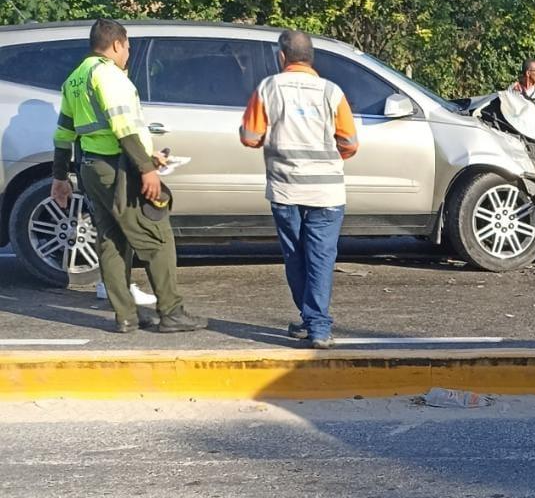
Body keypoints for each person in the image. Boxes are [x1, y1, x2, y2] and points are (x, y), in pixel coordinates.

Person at [50, 19, 206, 333]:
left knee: (111, 239)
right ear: (117, 44)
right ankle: (172, 312)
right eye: (128, 48)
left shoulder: (75, 79)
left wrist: (59, 176)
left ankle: (125, 316)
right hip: (118, 169)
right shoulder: (108, 75)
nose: (128, 55)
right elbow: (124, 126)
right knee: (156, 235)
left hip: (92, 168)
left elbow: (64, 133)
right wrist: (147, 169)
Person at [240, 30, 359, 349]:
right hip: (327, 193)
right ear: (311, 58)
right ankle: (316, 325)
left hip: (285, 191)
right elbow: (350, 142)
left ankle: (313, 321)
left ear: (282, 56)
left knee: (295, 257)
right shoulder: (332, 92)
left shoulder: (268, 88)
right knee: (321, 258)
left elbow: (250, 137)